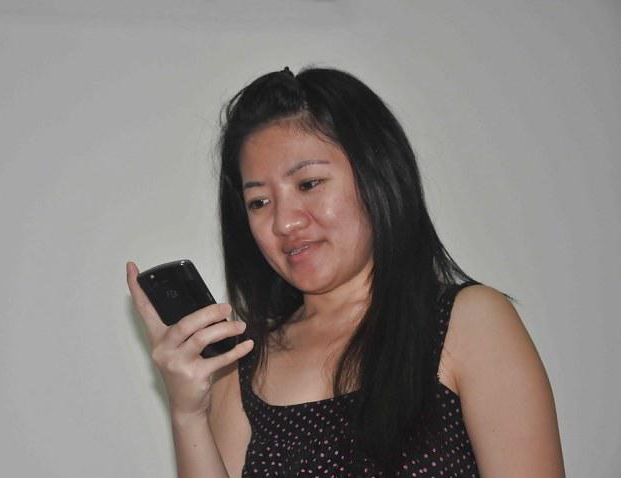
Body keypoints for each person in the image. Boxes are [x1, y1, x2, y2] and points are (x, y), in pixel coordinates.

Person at [126, 67, 565, 477]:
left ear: (376, 175)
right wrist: (187, 412)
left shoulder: (468, 321)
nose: (284, 222)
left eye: (308, 184)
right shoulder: (244, 365)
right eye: (259, 202)